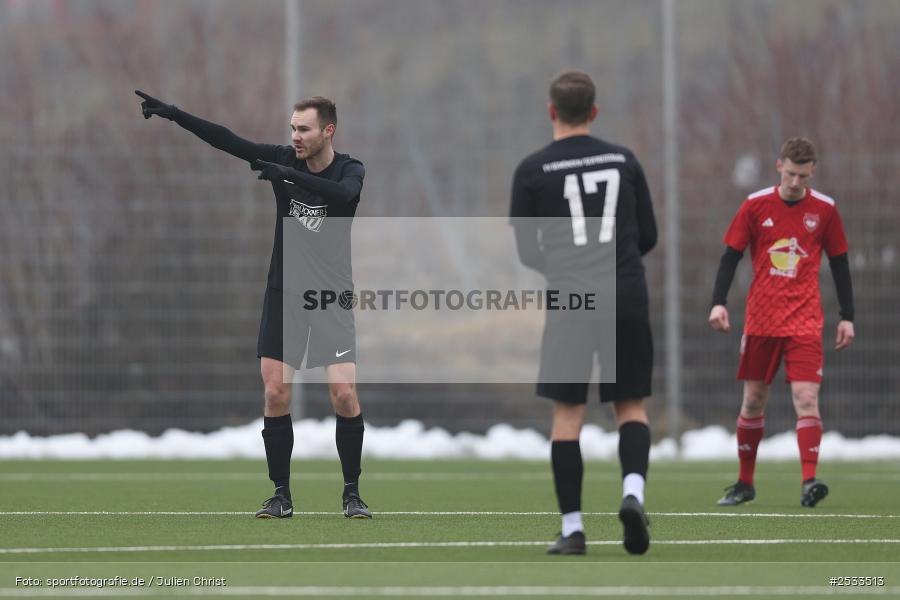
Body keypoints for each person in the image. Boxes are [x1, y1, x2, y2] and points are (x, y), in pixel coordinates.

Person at [135, 90, 372, 520]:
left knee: (343, 393)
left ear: (328, 130)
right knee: (276, 391)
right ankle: (280, 495)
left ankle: (352, 493)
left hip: (330, 299)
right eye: (292, 129)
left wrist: (290, 176)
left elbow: (342, 197)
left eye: (304, 129)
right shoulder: (284, 159)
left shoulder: (349, 169)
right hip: (285, 295)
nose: (296, 136)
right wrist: (175, 114)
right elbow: (228, 140)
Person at [510, 70, 657, 555]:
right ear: (594, 112)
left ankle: (573, 529)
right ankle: (632, 494)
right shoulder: (624, 159)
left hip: (572, 298)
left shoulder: (532, 170)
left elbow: (527, 252)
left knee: (567, 416)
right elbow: (648, 236)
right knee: (630, 406)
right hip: (626, 293)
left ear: (552, 111)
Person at [709, 137, 855, 508]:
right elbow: (731, 255)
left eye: (802, 176)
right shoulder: (756, 205)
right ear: (779, 166)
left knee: (806, 398)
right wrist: (718, 303)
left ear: (812, 173)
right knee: (754, 400)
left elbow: (839, 262)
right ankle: (744, 483)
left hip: (805, 322)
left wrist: (847, 316)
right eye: (790, 173)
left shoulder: (824, 209)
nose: (795, 182)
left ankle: (810, 481)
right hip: (761, 320)